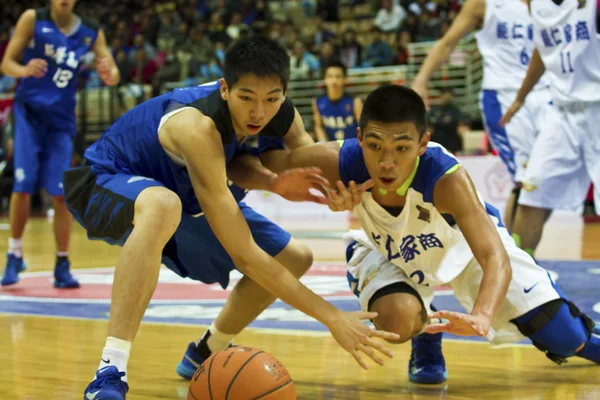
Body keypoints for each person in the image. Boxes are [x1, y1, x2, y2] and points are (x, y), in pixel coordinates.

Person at [65, 37, 398, 400]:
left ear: (284, 93)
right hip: (106, 180)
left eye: (271, 99)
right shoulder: (197, 127)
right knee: (164, 206)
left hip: (182, 197)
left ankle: (206, 351)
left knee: (295, 257)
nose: (259, 112)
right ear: (225, 89)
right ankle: (110, 371)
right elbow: (244, 254)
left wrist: (337, 196)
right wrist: (333, 317)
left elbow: (299, 157)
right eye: (247, 98)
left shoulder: (278, 113)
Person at [259, 85, 600, 383]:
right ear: (360, 137)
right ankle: (425, 336)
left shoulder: (447, 179)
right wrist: (281, 185)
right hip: (391, 251)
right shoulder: (339, 161)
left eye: (402, 148)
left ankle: (585, 337)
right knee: (395, 321)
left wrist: (481, 316)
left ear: (423, 142)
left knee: (564, 337)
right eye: (375, 146)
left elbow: (493, 256)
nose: (387, 162)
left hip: (462, 248)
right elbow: (267, 158)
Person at [0, 0, 120, 287]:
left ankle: (62, 263)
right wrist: (23, 69)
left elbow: (113, 75)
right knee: (23, 185)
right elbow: (6, 63)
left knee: (60, 191)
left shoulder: (91, 31)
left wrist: (108, 73)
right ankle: (14, 254)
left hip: (61, 121)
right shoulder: (33, 19)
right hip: (29, 115)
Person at [411, 0, 551, 232]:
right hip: (504, 97)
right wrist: (421, 79)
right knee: (527, 180)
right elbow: (448, 43)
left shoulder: (552, 4)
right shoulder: (484, 4)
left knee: (545, 180)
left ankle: (517, 251)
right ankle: (520, 255)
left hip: (547, 95)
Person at [500, 0, 600, 257]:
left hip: (597, 108)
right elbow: (544, 49)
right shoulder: (538, 5)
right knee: (533, 191)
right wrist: (521, 97)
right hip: (562, 112)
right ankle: (524, 275)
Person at [312, 59, 363, 142]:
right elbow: (318, 126)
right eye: (330, 76)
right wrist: (323, 142)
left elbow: (363, 127)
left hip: (352, 148)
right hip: (331, 148)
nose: (334, 81)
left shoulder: (355, 101)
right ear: (325, 79)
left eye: (338, 77)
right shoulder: (317, 101)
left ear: (345, 79)